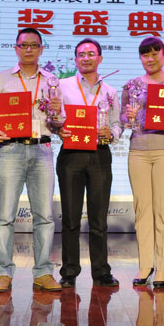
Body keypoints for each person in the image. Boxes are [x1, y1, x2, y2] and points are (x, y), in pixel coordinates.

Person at [0, 27, 62, 293]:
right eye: (23, 45)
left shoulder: (52, 80)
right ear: (16, 48)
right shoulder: (2, 78)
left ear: (41, 49)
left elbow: (58, 122)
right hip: (11, 149)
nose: (28, 49)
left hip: (42, 149)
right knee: (4, 215)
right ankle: (3, 272)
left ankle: (43, 272)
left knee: (45, 216)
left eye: (34, 45)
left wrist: (58, 114)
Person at [53, 38, 122, 288]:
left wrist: (111, 134)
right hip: (71, 154)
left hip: (100, 155)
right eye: (81, 54)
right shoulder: (61, 86)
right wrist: (57, 128)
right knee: (70, 217)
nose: (86, 58)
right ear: (75, 59)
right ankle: (69, 271)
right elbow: (53, 118)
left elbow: (117, 123)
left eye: (91, 54)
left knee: (98, 218)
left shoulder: (110, 91)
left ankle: (101, 271)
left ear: (100, 58)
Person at [122, 36, 164, 289]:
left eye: (154, 54)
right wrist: (127, 117)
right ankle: (145, 265)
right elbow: (124, 121)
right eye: (145, 55)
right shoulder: (131, 85)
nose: (149, 59)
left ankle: (162, 267)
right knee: (142, 210)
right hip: (138, 151)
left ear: (163, 55)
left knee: (163, 210)